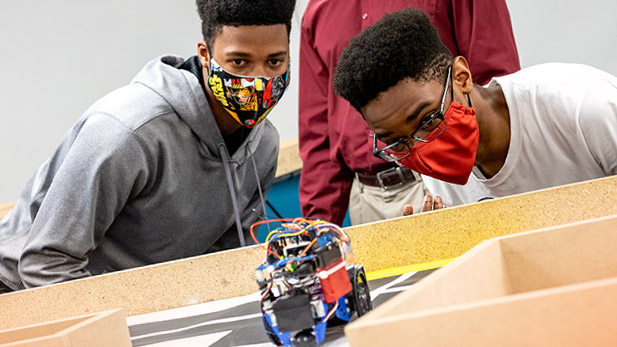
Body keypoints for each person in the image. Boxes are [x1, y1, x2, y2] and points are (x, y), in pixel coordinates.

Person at [0, 0, 296, 293]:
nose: (259, 81)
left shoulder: (263, 146)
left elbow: (224, 265)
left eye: (274, 62)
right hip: (19, 293)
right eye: (239, 62)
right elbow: (45, 262)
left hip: (131, 306)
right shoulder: (126, 131)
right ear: (205, 55)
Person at [333, 8, 617, 213]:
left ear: (461, 76)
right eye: (397, 142)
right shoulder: (428, 160)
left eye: (428, 120)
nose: (422, 149)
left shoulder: (586, 108)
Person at [298, 0, 521, 226]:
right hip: (367, 199)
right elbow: (317, 130)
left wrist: (485, 181)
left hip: (449, 177)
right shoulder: (317, 11)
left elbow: (491, 84)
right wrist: (317, 225)